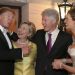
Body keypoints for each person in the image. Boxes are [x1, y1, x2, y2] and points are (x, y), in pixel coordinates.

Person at [31, 8, 73, 75]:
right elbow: (28, 45)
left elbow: (72, 59)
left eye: (45, 20)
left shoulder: (66, 37)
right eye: (42, 20)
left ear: (54, 21)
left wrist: (62, 64)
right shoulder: (39, 34)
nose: (42, 22)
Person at [0, 7, 26, 75]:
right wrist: (21, 52)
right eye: (8, 16)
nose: (10, 20)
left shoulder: (6, 32)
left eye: (11, 18)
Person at [52, 8, 75, 75]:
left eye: (67, 18)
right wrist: (63, 60)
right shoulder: (72, 37)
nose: (64, 21)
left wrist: (61, 65)